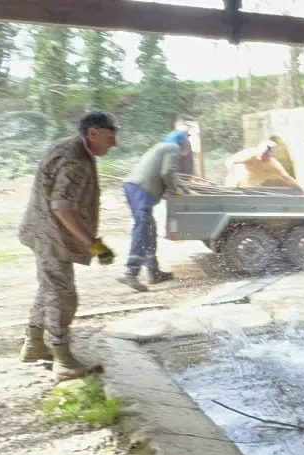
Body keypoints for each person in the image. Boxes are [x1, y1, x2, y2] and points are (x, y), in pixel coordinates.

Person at [18, 110, 117, 380]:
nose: (114, 144)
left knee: (49, 289)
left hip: (43, 231)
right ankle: (63, 360)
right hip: (51, 236)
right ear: (93, 133)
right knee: (62, 296)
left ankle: (34, 345)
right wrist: (95, 245)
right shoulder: (75, 159)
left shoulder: (70, 147)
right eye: (110, 137)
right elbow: (62, 208)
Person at [117, 137, 187, 292]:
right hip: (141, 189)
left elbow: (167, 173)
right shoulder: (173, 148)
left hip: (135, 187)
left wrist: (178, 186)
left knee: (149, 228)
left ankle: (153, 271)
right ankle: (130, 272)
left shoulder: (161, 146)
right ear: (184, 143)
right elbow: (167, 172)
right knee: (143, 227)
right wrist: (175, 190)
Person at [225, 140, 304, 194]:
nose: (264, 156)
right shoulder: (250, 155)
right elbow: (230, 161)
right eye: (262, 153)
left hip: (248, 188)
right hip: (234, 183)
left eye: (267, 154)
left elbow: (288, 179)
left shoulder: (274, 165)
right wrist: (233, 175)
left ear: (272, 155)